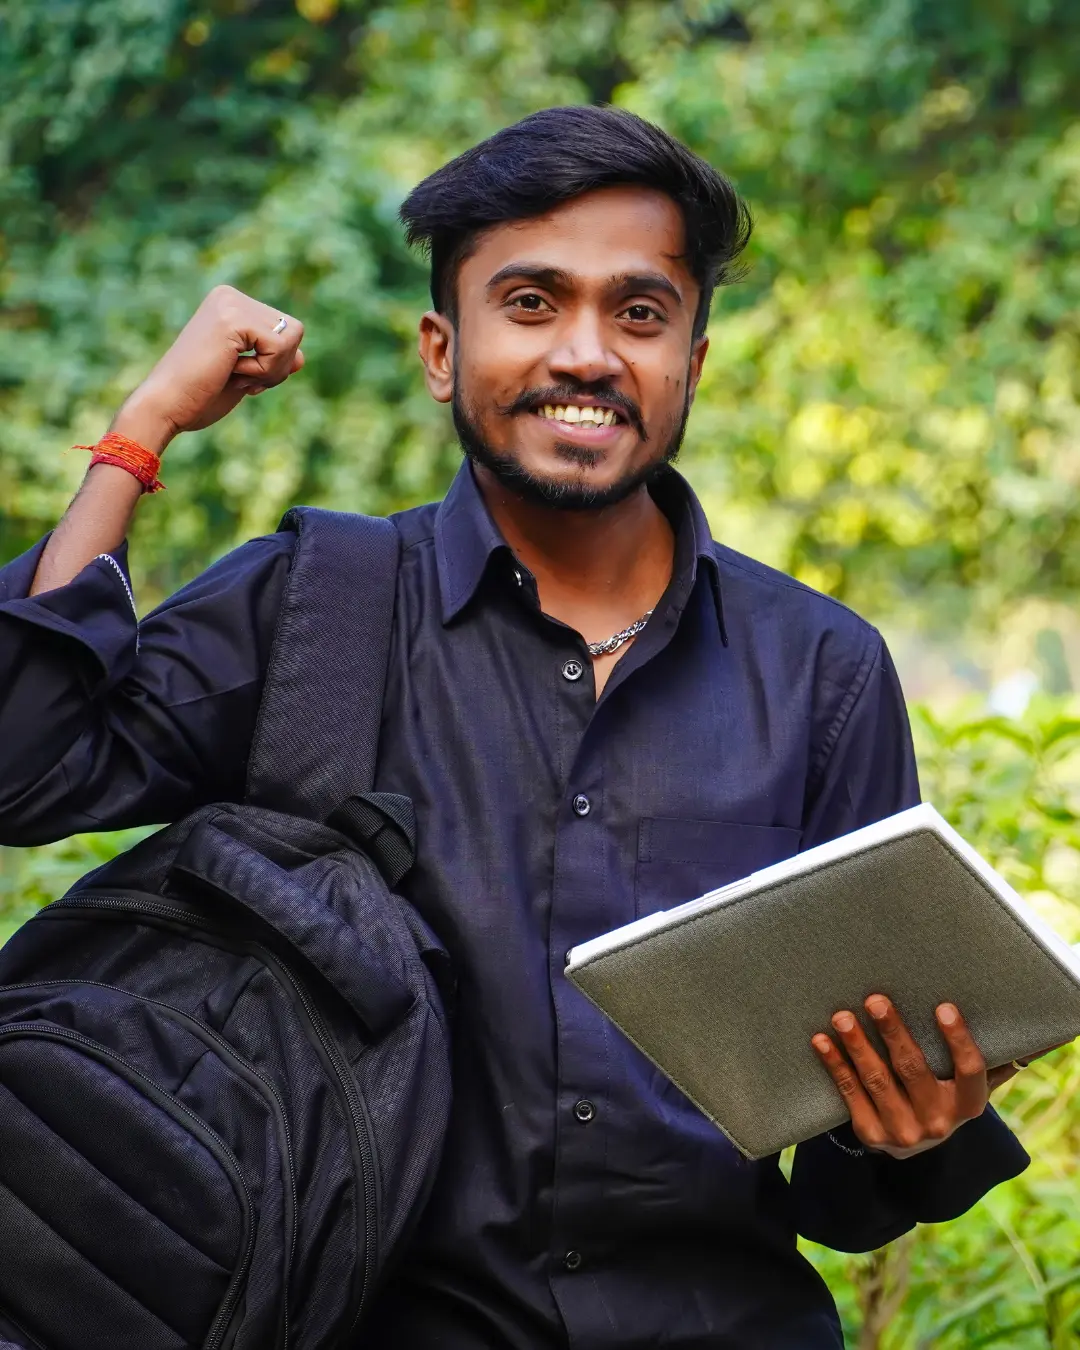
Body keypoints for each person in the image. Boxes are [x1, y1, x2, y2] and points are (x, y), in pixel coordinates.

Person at [0, 106, 1033, 1349]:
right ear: (444, 349)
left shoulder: (823, 673)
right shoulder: (316, 608)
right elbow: (27, 768)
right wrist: (142, 427)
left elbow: (849, 1197)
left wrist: (910, 1124)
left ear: (693, 362)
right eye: (532, 302)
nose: (587, 354)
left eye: (640, 314)